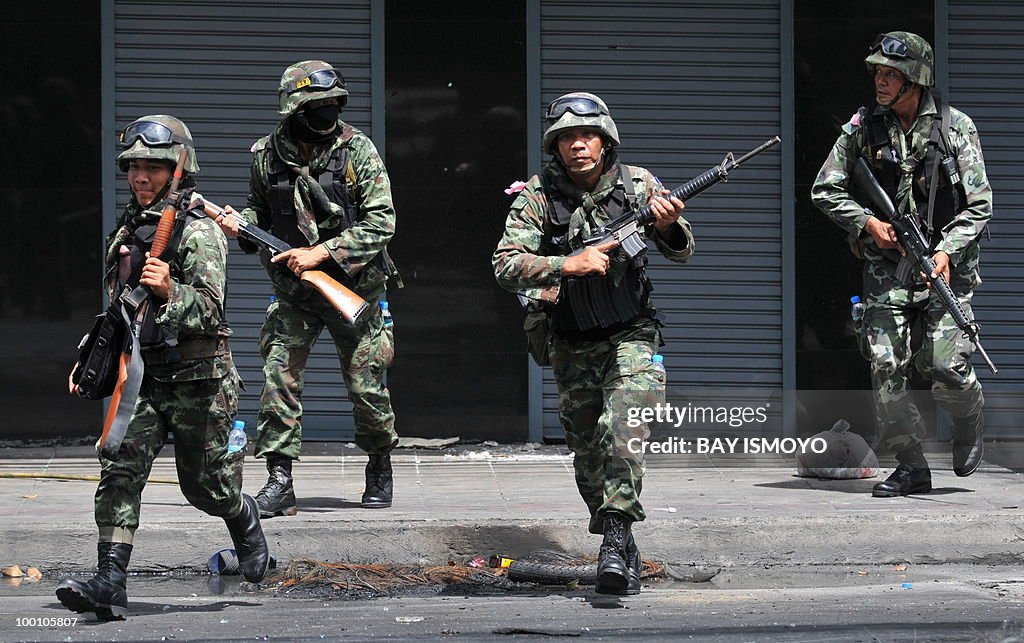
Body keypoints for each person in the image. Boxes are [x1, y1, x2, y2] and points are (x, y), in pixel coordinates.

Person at [57, 115, 269, 620]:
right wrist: (94, 357)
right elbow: (120, 311)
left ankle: (244, 518)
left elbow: (213, 311)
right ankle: (110, 581)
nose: (141, 177)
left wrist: (173, 291)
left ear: (178, 168)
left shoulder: (199, 232)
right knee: (119, 470)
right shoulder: (128, 233)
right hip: (144, 382)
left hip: (200, 383)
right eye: (134, 167)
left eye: (154, 167)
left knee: (206, 487)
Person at [492, 93, 693, 594]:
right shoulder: (538, 195)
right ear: (555, 146)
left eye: (586, 136)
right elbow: (504, 264)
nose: (577, 146)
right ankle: (621, 547)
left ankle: (615, 536)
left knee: (623, 429)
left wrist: (667, 227)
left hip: (632, 332)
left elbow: (684, 250)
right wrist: (567, 265)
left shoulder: (640, 185)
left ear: (606, 140)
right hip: (573, 341)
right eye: (566, 138)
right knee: (588, 458)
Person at [812, 32, 992, 497]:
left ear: (917, 77)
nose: (881, 81)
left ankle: (969, 415)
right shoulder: (862, 127)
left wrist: (946, 251)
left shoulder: (956, 128)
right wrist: (868, 223)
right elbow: (824, 189)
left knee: (945, 366)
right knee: (886, 366)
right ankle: (912, 465)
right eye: (878, 72)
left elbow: (980, 206)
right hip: (887, 272)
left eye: (891, 74)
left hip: (943, 268)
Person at [217, 60, 400, 516]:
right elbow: (260, 210)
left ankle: (379, 462)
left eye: (333, 103)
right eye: (318, 106)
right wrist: (240, 226)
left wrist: (323, 253)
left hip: (354, 288)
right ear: (295, 110)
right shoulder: (266, 154)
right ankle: (280, 480)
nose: (329, 112)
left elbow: (382, 221)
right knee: (278, 379)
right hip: (294, 294)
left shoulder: (356, 150)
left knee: (367, 386)